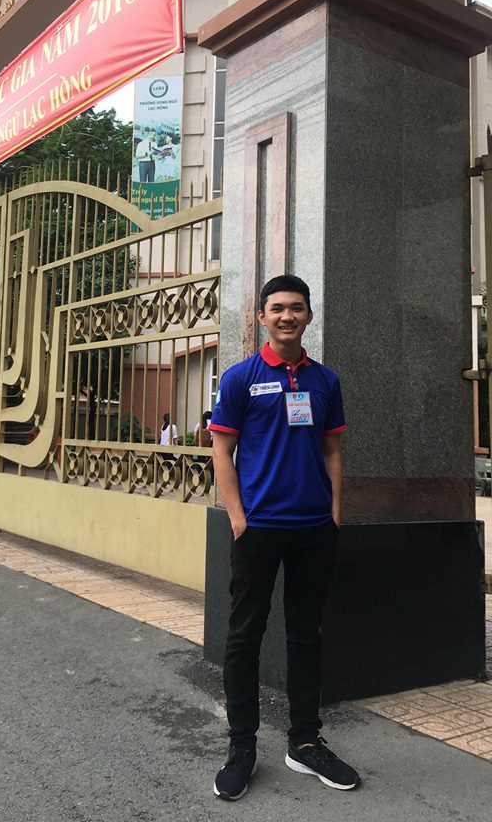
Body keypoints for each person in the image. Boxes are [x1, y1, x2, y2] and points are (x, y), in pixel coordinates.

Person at [209, 274, 360, 800]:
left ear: (308, 316)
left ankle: (305, 742)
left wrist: (333, 513)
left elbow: (332, 452)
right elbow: (221, 451)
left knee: (305, 635)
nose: (286, 316)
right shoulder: (241, 379)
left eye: (296, 308)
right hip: (259, 528)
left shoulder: (325, 381)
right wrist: (238, 518)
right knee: (244, 636)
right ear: (261, 317)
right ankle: (242, 747)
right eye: (277, 308)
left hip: (313, 528)